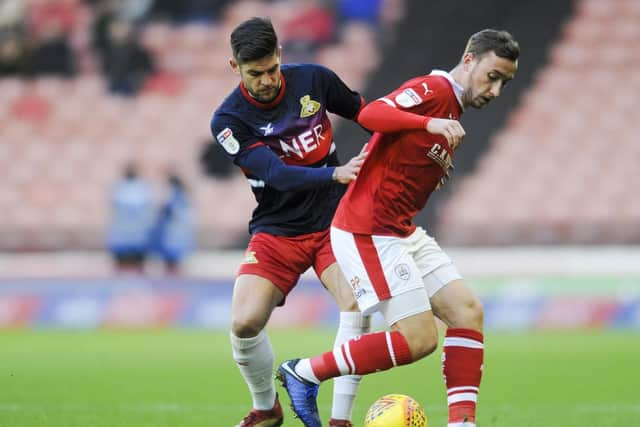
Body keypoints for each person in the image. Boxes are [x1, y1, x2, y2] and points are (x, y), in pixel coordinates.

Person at [277, 29, 520, 427]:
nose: (495, 89)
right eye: (492, 75)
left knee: (467, 311)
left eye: (504, 83)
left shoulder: (452, 113)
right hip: (368, 228)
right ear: (470, 59)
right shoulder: (435, 89)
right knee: (420, 339)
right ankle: (304, 372)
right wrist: (429, 126)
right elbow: (371, 115)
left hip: (401, 230)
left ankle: (462, 423)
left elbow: (398, 156)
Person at [209, 17, 372, 427]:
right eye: (254, 73)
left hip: (334, 221)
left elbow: (367, 114)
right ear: (235, 68)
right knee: (244, 322)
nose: (266, 80)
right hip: (278, 228)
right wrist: (334, 173)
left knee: (356, 305)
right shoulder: (228, 120)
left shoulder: (314, 80)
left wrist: (407, 141)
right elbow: (278, 173)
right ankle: (266, 409)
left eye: (271, 69)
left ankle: (340, 420)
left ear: (280, 55)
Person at [107, 162, 155, 274]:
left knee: (125, 270)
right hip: (134, 238)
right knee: (136, 270)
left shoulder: (119, 188)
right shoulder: (143, 189)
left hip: (127, 238)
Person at [149, 173, 195, 275]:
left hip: (171, 238)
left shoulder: (173, 197)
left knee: (170, 266)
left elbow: (163, 214)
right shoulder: (185, 198)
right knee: (176, 266)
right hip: (181, 238)